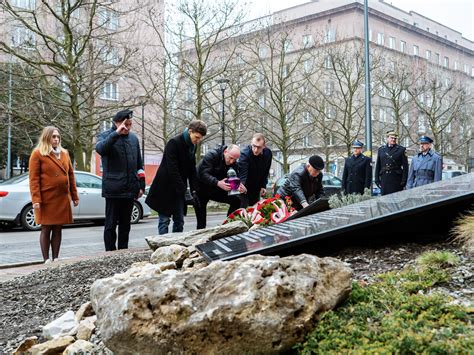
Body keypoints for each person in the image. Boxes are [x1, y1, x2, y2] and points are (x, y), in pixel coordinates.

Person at [145, 120, 207, 234]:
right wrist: (184, 191)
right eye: (196, 137)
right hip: (165, 187)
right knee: (164, 220)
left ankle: (176, 247)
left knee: (179, 220)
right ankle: (162, 247)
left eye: (200, 139)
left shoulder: (192, 146)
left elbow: (192, 170)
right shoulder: (174, 142)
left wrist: (194, 190)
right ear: (190, 131)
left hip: (179, 188)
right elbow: (172, 169)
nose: (197, 141)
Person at [96, 109, 145, 251]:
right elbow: (101, 149)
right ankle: (110, 253)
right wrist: (116, 133)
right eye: (126, 124)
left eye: (130, 124)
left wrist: (140, 185)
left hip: (130, 189)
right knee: (111, 225)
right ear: (117, 123)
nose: (128, 128)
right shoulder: (106, 136)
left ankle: (123, 251)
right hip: (113, 189)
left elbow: (139, 165)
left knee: (126, 225)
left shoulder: (133, 139)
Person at [29, 126, 79, 263]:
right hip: (46, 198)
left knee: (58, 228)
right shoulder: (38, 153)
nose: (56, 139)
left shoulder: (64, 153)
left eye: (58, 137)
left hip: (62, 198)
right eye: (53, 137)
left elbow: (71, 175)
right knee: (46, 228)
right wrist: (36, 199)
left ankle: (56, 258)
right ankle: (46, 259)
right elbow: (34, 179)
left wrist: (74, 196)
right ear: (47, 138)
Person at [195, 144, 246, 229]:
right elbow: (203, 174)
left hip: (215, 189)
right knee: (201, 222)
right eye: (230, 158)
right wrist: (218, 183)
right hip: (201, 189)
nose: (232, 161)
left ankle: (229, 226)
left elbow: (236, 177)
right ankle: (200, 237)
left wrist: (240, 186)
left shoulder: (233, 163)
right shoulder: (212, 155)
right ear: (225, 152)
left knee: (236, 200)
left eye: (235, 159)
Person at [238, 133, 273, 208]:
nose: (256, 150)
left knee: (255, 211)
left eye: (259, 147)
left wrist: (263, 185)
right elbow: (242, 174)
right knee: (242, 211)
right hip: (244, 187)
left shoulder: (268, 153)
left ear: (264, 146)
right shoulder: (245, 154)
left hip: (256, 187)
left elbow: (266, 170)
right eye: (254, 146)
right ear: (251, 143)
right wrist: (241, 186)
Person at [375, 130, 409, 196]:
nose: (393, 139)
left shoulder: (401, 150)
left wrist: (404, 181)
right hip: (384, 179)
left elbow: (405, 167)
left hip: (396, 180)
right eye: (392, 138)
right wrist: (377, 179)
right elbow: (378, 165)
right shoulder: (381, 150)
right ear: (387, 138)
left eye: (395, 138)